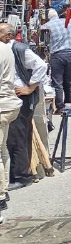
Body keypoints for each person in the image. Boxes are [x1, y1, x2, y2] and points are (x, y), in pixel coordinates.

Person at [0, 24, 47, 191]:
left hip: (22, 98)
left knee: (17, 137)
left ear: (8, 35)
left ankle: (21, 176)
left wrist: (30, 88)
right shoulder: (8, 49)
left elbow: (41, 66)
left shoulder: (19, 49)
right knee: (15, 136)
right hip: (15, 97)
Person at [43, 6, 71, 115]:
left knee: (57, 82)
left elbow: (38, 35)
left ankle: (60, 107)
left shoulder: (48, 25)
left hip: (57, 55)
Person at [0, 39, 22, 222]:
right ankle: (4, 189)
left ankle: (0, 195)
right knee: (2, 150)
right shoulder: (6, 48)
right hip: (9, 105)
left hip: (2, 106)